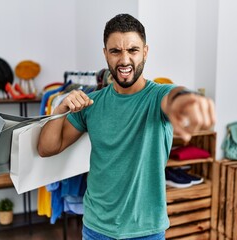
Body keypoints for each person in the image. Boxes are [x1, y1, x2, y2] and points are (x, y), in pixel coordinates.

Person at [38, 13, 216, 240]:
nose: (124, 60)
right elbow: (47, 148)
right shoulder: (92, 102)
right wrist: (60, 110)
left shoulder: (157, 96)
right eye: (115, 51)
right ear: (105, 54)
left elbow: (175, 98)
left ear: (145, 52)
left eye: (132, 50)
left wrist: (190, 102)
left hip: (146, 231)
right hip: (96, 228)